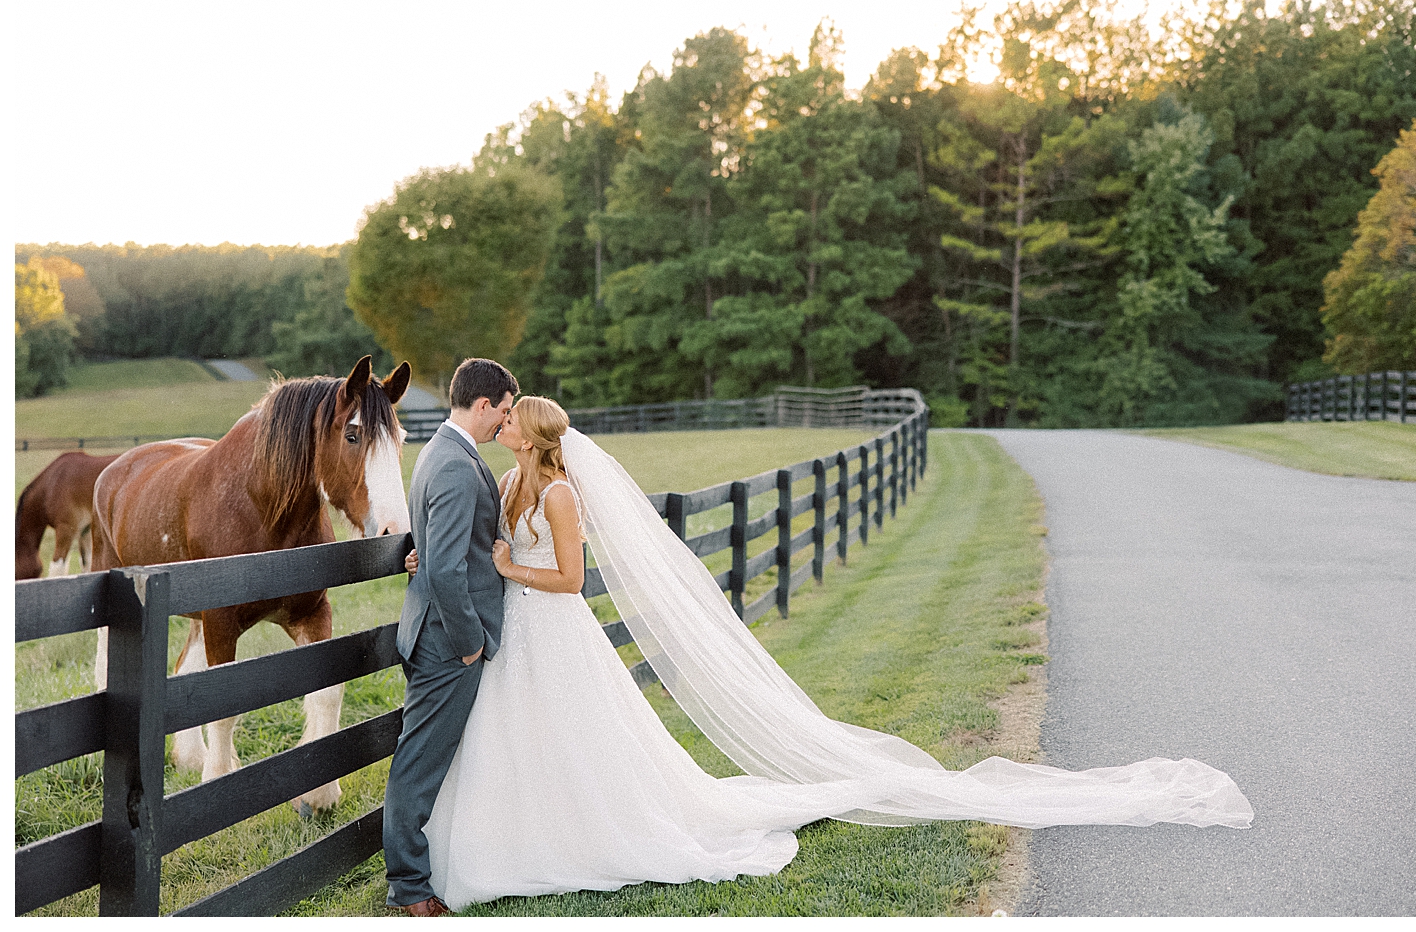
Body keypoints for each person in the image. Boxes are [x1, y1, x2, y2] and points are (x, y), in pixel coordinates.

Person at [402, 396, 1255, 911]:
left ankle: (587, 831)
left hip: (554, 633)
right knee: (530, 747)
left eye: (515, 419)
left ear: (534, 435)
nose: (505, 423)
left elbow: (571, 576)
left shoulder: (556, 488)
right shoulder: (507, 479)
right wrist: (446, 555)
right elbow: (477, 545)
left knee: (588, 745)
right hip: (520, 643)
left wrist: (514, 567)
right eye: (503, 416)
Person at [382, 358, 517, 917]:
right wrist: (470, 641)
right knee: (417, 763)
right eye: (503, 412)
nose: (504, 424)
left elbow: (433, 546)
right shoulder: (459, 465)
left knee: (426, 757)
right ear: (482, 404)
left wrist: (419, 555)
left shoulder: (438, 451)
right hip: (446, 642)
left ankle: (426, 867)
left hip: (430, 632)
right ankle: (410, 887)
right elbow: (443, 569)